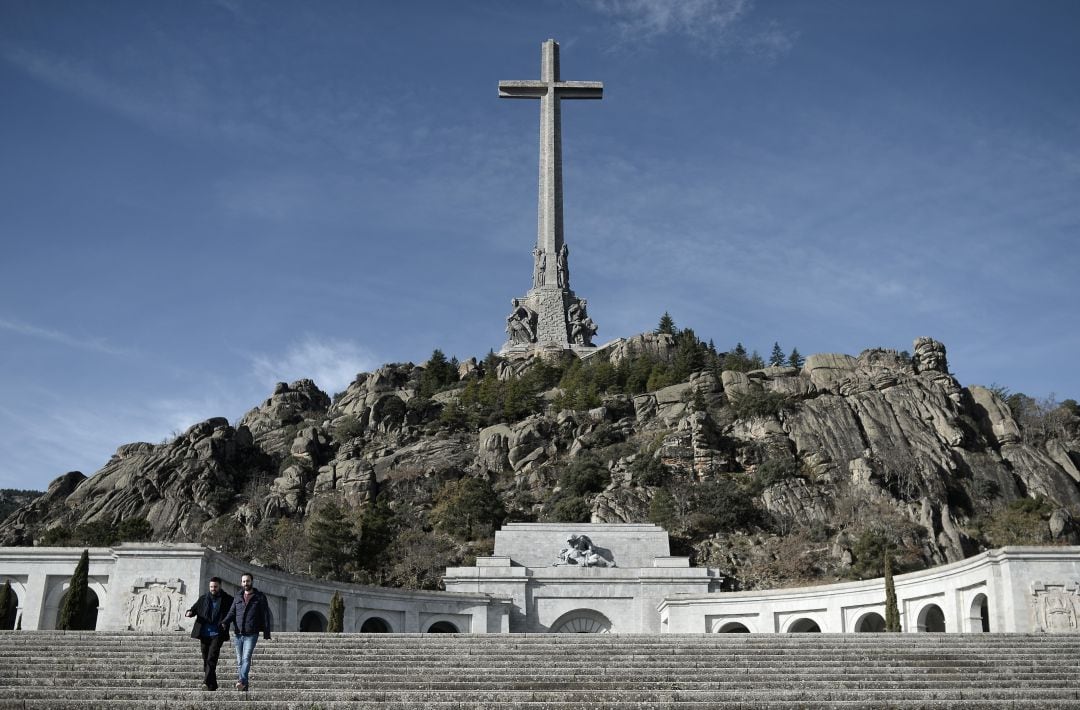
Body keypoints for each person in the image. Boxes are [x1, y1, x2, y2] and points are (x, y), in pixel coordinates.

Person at [220, 572, 273, 692]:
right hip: (238, 633)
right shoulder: (238, 596)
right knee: (239, 660)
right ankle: (244, 686)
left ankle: (241, 681)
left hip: (252, 633)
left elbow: (265, 615)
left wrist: (266, 632)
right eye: (243, 581)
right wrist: (225, 622)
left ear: (251, 582)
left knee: (246, 658)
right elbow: (232, 612)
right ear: (241, 583)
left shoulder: (259, 597)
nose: (245, 583)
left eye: (248, 581)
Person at [185, 577, 233, 691]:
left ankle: (206, 682)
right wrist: (189, 612)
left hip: (218, 633)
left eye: (215, 587)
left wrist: (226, 622)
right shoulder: (203, 599)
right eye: (211, 587)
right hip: (204, 633)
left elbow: (233, 613)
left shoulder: (227, 599)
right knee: (206, 658)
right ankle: (212, 685)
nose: (213, 589)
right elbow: (194, 609)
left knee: (212, 657)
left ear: (220, 586)